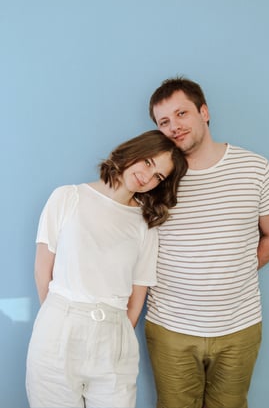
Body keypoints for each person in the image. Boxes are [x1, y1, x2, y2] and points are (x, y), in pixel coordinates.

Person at [145, 77, 269, 408]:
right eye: (164, 121)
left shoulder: (256, 168)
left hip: (240, 326)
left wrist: (232, 271)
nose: (174, 127)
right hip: (170, 327)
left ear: (204, 112)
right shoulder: (154, 178)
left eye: (181, 114)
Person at [26, 129, 188, 408]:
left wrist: (116, 334)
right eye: (148, 162)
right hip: (58, 329)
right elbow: (43, 271)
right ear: (134, 151)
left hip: (114, 339)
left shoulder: (145, 225)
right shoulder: (67, 197)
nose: (148, 177)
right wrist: (61, 321)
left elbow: (138, 295)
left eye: (159, 176)